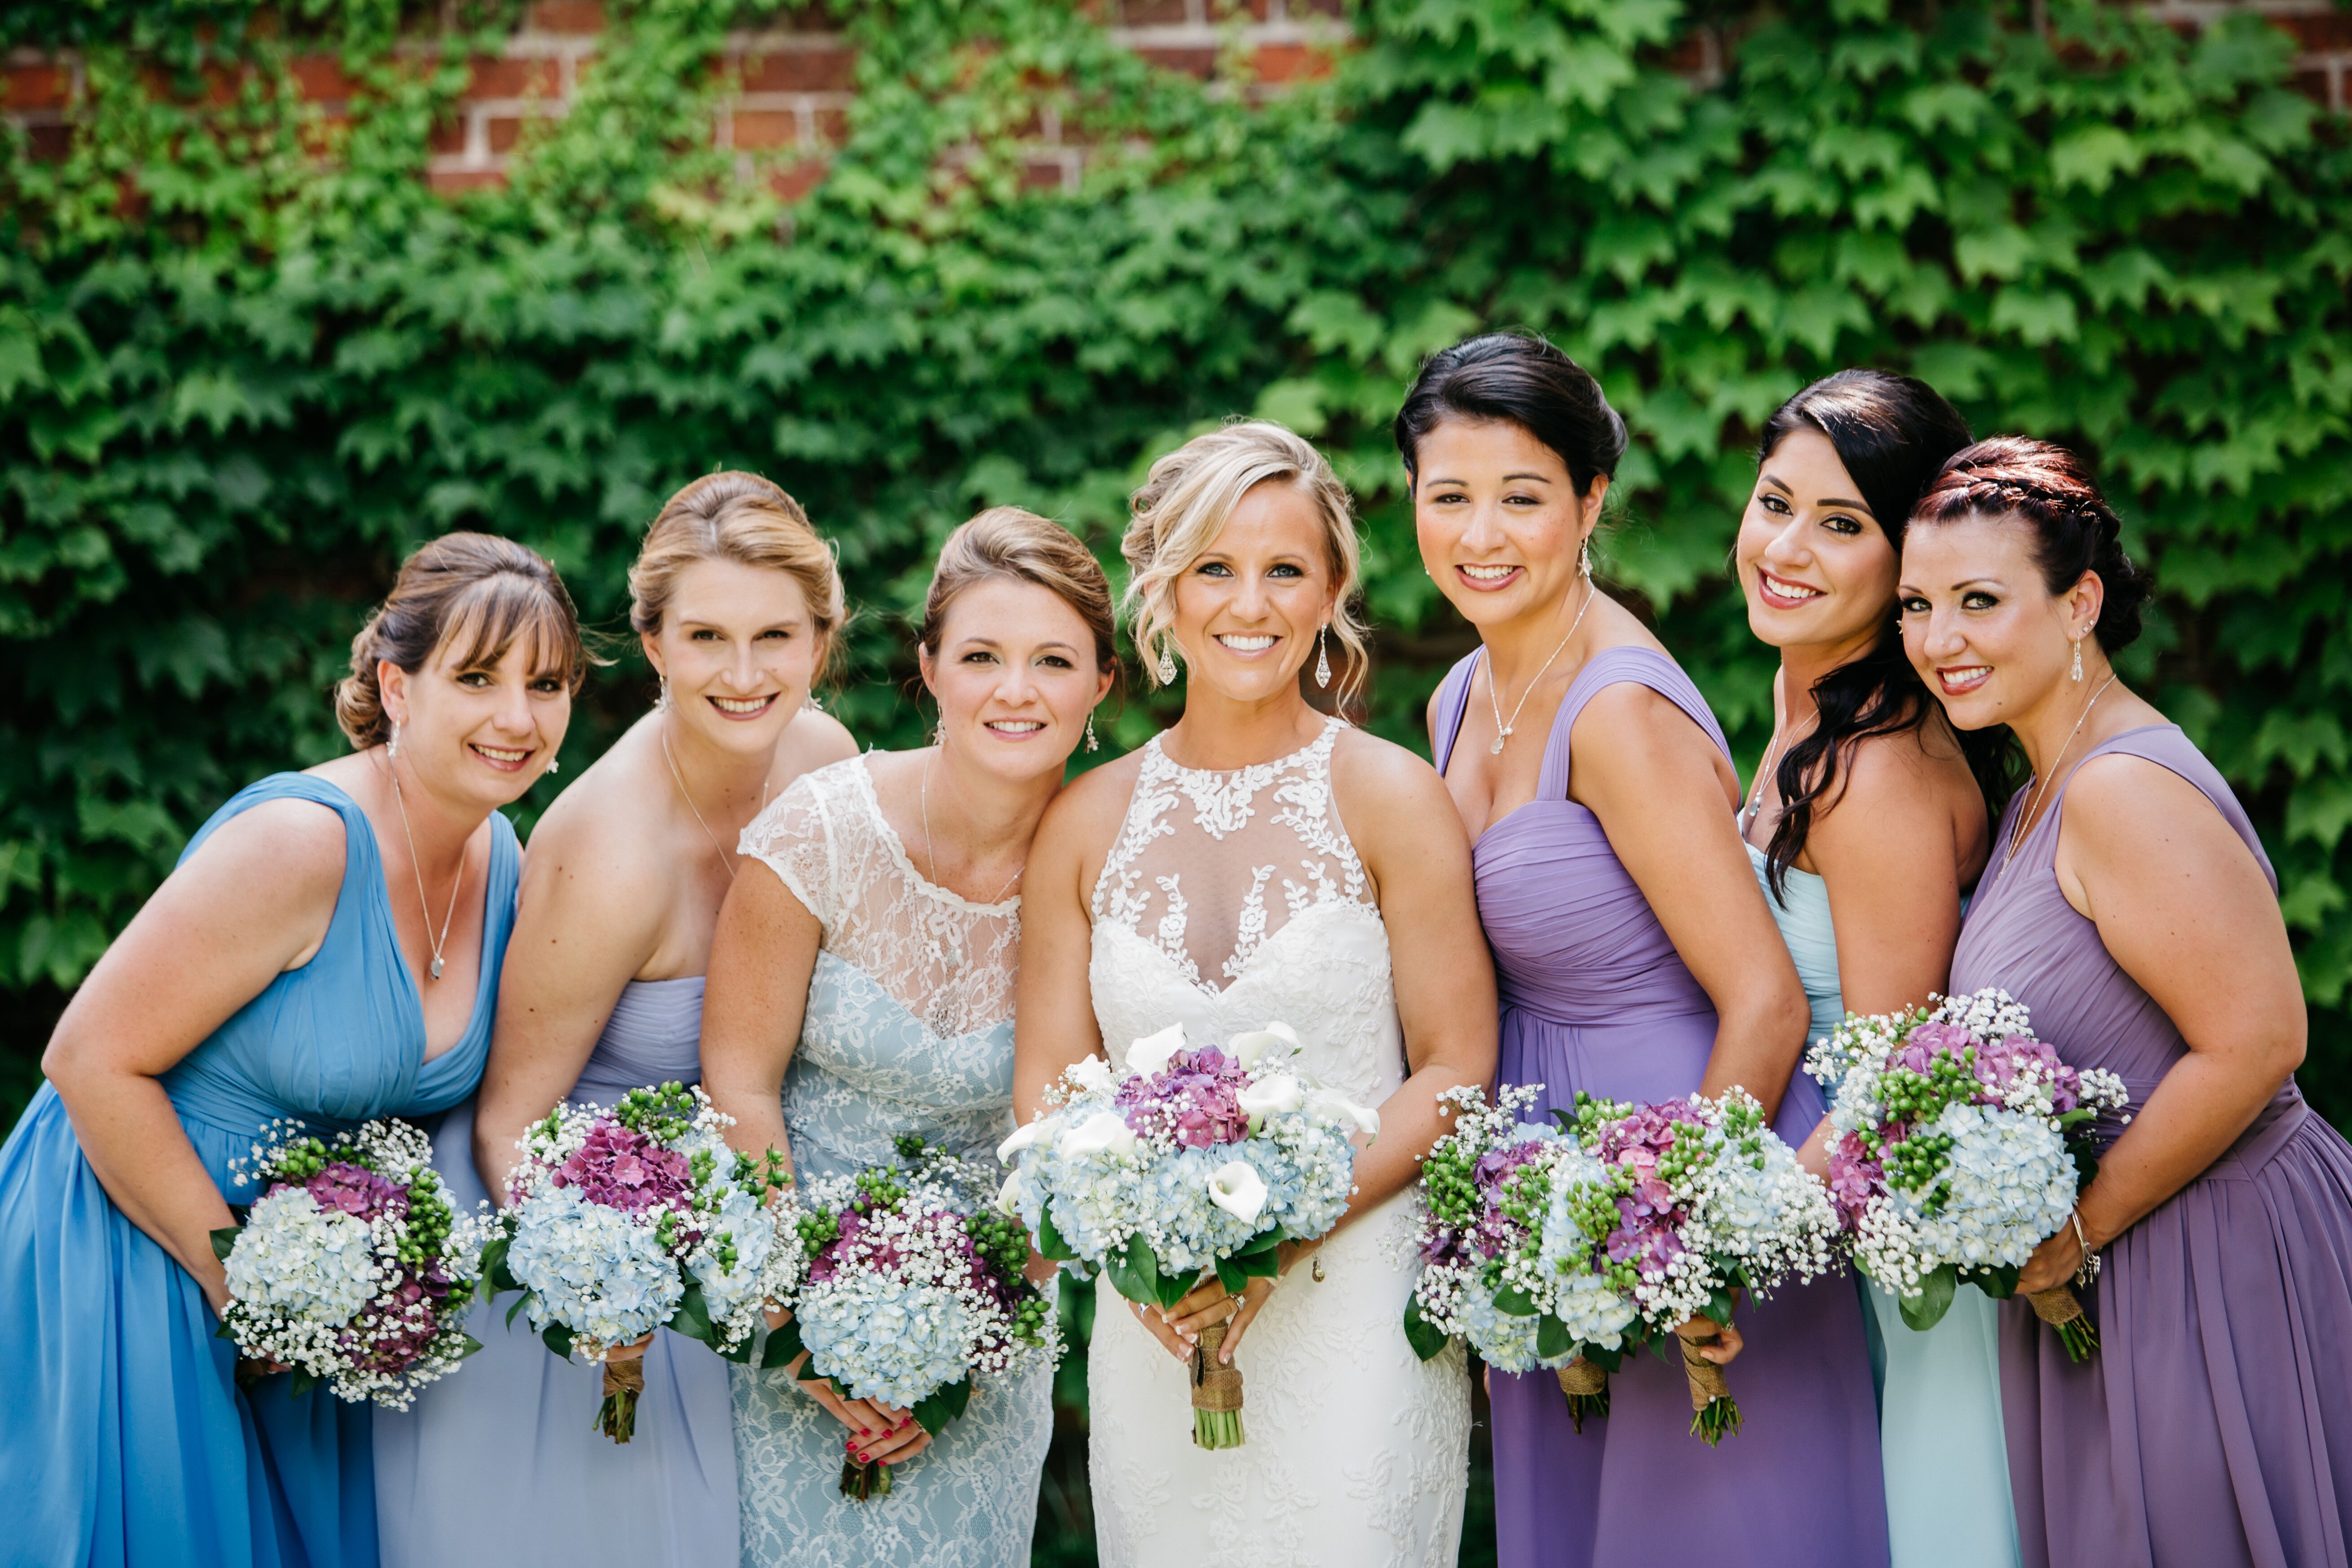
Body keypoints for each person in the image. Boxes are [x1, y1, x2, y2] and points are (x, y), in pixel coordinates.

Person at [0, 533, 581, 1568]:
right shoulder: (302, 844)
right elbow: (87, 1057)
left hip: (309, 1286)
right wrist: (242, 1290)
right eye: (479, 677)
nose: (518, 718)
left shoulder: (501, 854)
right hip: (139, 1233)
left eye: (547, 683)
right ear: (397, 687)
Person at [1408, 334, 1887, 1568]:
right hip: (1543, 1208)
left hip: (1678, 1193)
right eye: (1447, 496)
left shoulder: (1618, 708)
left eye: (1520, 497)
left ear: (1589, 502)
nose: (1481, 533)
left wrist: (1675, 1239)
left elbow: (1765, 1002)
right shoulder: (1456, 695)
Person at [1012, 421, 1494, 1568]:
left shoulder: (1391, 798)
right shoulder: (1082, 820)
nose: (1249, 602)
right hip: (1153, 1322)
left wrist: (1273, 1240)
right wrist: (1136, 1257)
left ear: (1331, 590)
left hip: (1354, 1306)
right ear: (1163, 590)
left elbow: (1456, 1063)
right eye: (1213, 568)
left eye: (1285, 569)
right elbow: (1046, 1086)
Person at [372, 475, 854, 1567]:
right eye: (706, 637)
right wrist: (609, 1296)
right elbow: (508, 1122)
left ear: (819, 642)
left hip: (726, 1239)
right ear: (652, 643)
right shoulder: (607, 850)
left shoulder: (824, 762)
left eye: (775, 635)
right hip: (584, 1279)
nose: (743, 674)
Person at [1908, 438, 2352, 1568]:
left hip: (2212, 1257)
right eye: (1916, 605)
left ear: (2078, 602)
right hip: (2123, 1264)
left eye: (1977, 600)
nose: (1938, 640)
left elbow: (2256, 1039)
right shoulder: (2034, 789)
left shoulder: (2115, 786)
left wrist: (2073, 1229)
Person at [704, 507, 1117, 1567]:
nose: (1013, 690)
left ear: (1102, 687)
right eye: (980, 655)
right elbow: (738, 1084)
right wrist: (801, 1332)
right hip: (786, 1338)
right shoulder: (817, 830)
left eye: (1052, 660)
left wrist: (961, 1353)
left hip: (990, 1342)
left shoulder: (1106, 871)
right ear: (929, 666)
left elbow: (1070, 1143)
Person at [1733, 371, 2014, 1568]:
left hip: (1895, 1279)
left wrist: (1708, 1247)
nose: (1785, 548)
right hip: (1822, 1242)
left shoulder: (1879, 768)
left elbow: (1891, 1090)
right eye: (1773, 503)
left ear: (1904, 560)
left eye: (1839, 525)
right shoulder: (1805, 708)